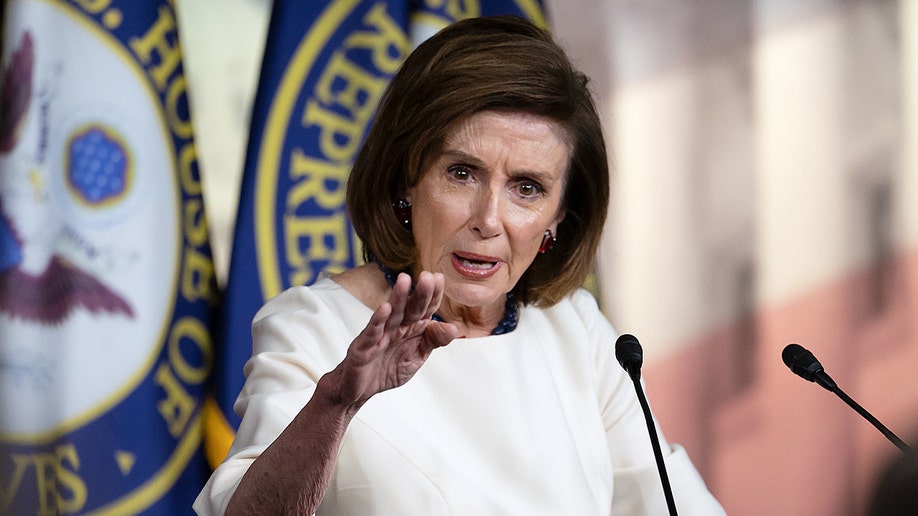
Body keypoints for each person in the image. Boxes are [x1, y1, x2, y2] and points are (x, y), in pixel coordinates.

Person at [195, 15, 724, 515]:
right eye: (463, 173)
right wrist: (334, 406)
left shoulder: (577, 331)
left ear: (558, 218)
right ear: (408, 178)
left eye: (527, 188)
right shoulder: (313, 328)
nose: (489, 219)